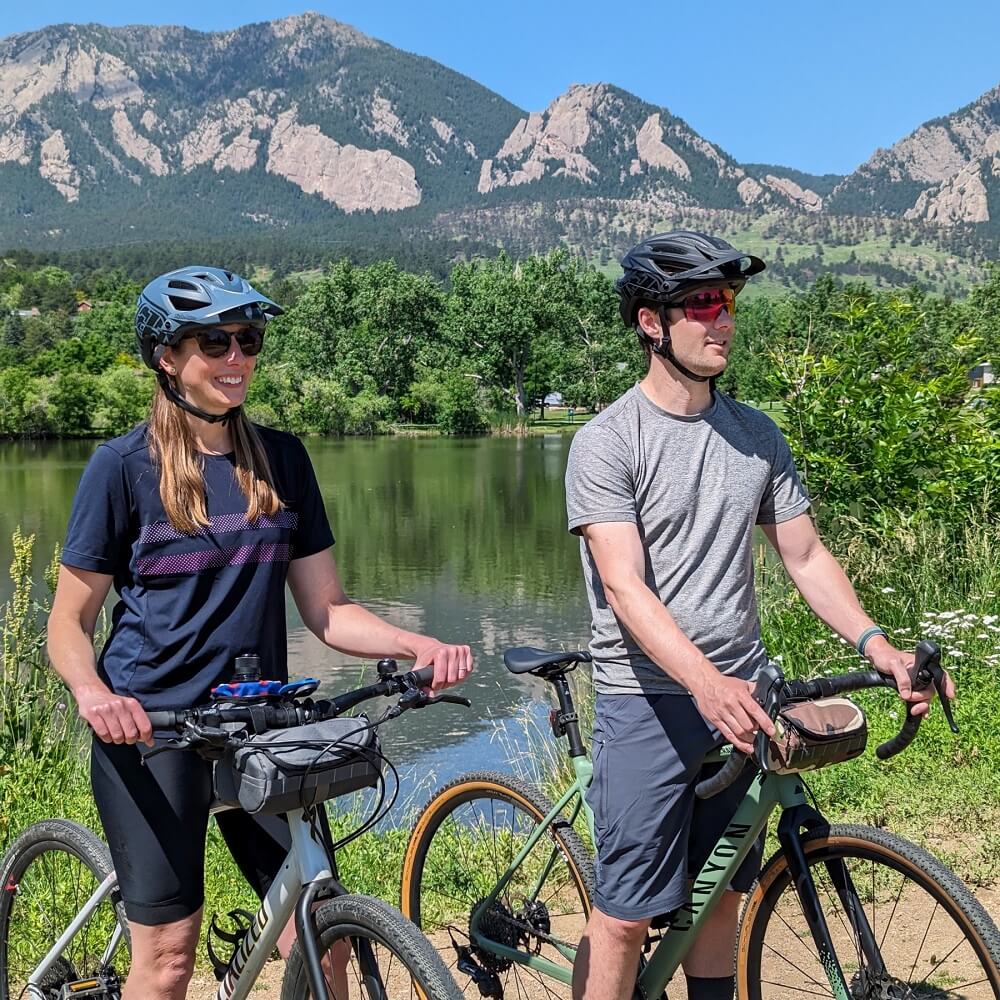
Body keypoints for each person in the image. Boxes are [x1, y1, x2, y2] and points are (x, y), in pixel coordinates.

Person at [47, 266, 474, 1000]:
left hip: (258, 726)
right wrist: (93, 692)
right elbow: (67, 624)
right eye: (215, 341)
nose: (237, 357)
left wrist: (418, 644)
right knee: (171, 955)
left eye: (249, 339)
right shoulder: (120, 469)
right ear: (165, 356)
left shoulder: (282, 461)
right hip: (152, 734)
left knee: (321, 934)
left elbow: (328, 610)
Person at [564, 231, 954, 1000]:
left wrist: (876, 643)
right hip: (650, 698)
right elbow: (626, 588)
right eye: (703, 304)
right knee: (624, 918)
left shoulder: (755, 434)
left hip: (745, 690)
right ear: (651, 322)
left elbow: (805, 558)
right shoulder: (607, 441)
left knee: (722, 894)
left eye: (729, 303)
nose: (724, 321)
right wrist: (705, 684)